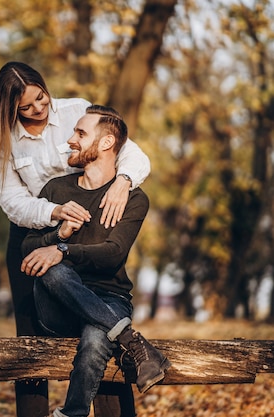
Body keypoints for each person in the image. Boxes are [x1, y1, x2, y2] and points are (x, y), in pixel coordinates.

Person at [0, 61, 150, 417]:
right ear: (9, 108)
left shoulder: (76, 110)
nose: (38, 110)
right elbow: (13, 201)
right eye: (25, 107)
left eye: (41, 98)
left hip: (90, 226)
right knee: (29, 343)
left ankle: (115, 403)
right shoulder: (3, 139)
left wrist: (123, 181)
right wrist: (54, 214)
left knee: (97, 325)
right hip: (34, 229)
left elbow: (127, 149)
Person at [21, 105, 170, 417]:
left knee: (94, 337)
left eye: (80, 133)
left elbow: (113, 253)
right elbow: (29, 247)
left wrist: (63, 250)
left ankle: (71, 413)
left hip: (109, 298)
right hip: (57, 307)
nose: (71, 140)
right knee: (53, 271)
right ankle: (129, 337)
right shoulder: (56, 189)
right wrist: (58, 236)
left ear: (106, 143)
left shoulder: (135, 198)